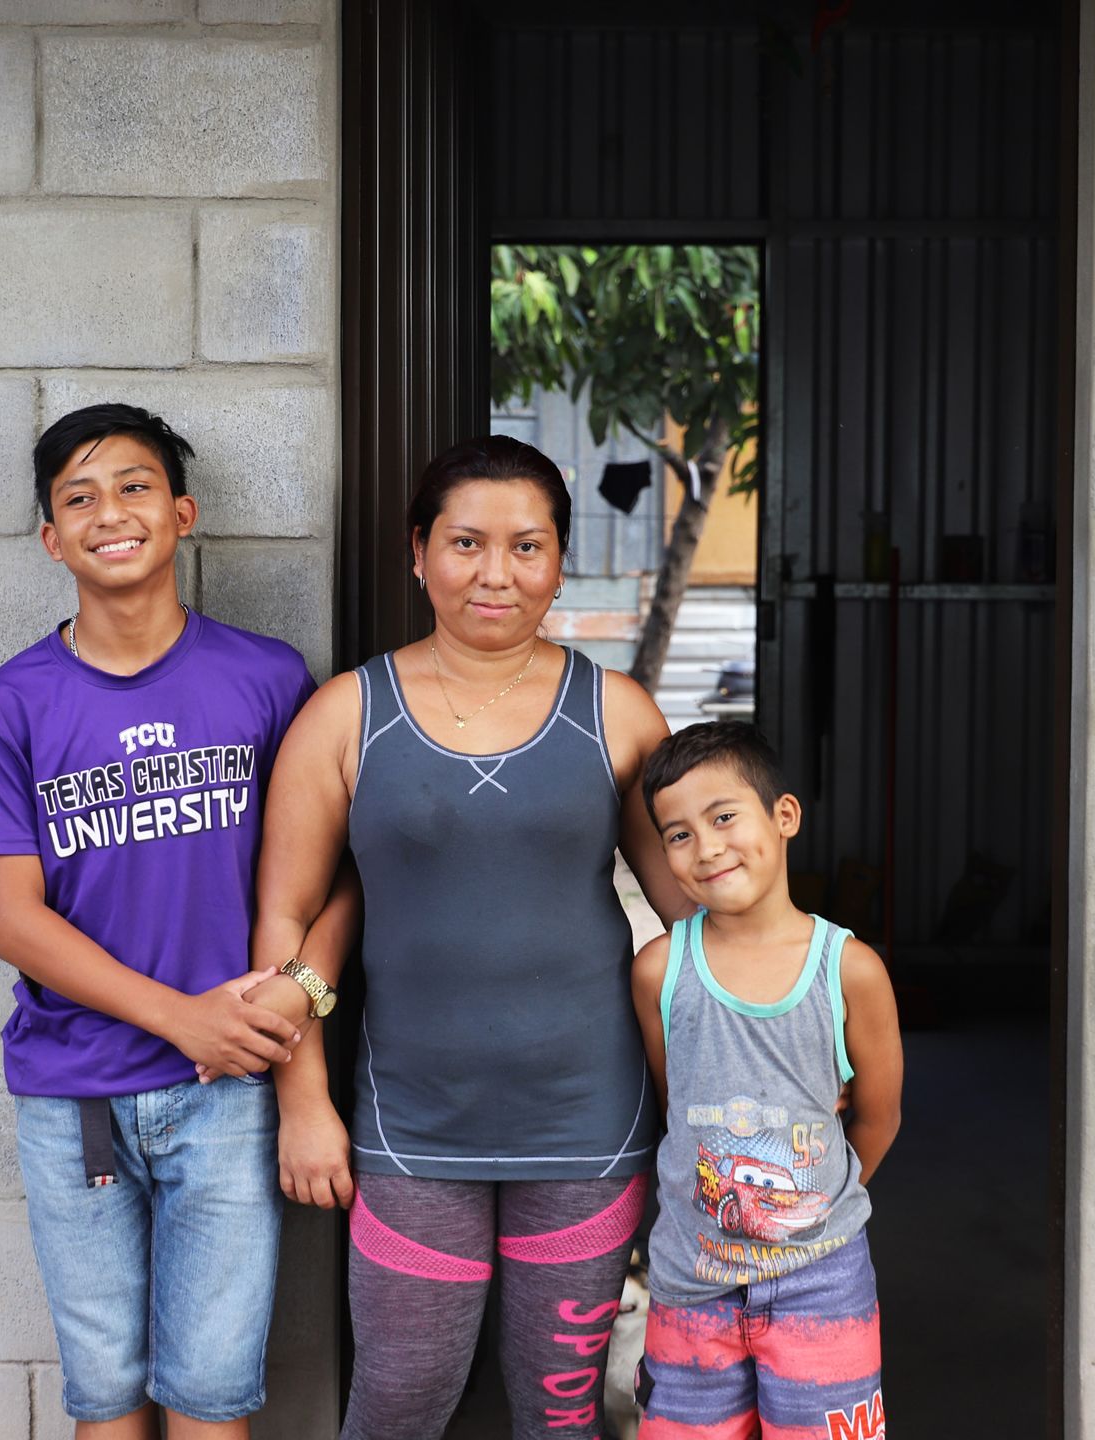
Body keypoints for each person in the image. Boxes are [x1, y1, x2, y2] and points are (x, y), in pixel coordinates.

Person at [239, 435, 694, 1439]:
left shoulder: (616, 715)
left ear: (558, 561)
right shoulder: (344, 716)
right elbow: (281, 923)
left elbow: (693, 921)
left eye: (526, 546)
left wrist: (784, 1043)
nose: (496, 573)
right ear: (417, 552)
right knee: (399, 1401)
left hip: (587, 1126)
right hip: (411, 1132)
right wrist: (302, 1103)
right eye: (465, 543)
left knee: (561, 1413)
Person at [0, 402, 350, 1439]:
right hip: (72, 1090)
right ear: (51, 538)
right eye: (77, 497)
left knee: (211, 1395)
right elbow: (10, 918)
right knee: (105, 1397)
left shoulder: (265, 679)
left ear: (182, 512)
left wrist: (293, 1001)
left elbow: (332, 884)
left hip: (225, 1097)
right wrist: (181, 1018)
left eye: (133, 486)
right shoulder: (13, 703)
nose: (108, 512)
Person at [630, 721, 902, 1440]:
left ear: (783, 817)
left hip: (823, 1286)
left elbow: (878, 1117)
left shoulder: (850, 971)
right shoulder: (660, 971)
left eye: (723, 817)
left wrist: (818, 1211)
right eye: (678, 834)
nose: (707, 846)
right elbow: (675, 1105)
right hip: (690, 1282)